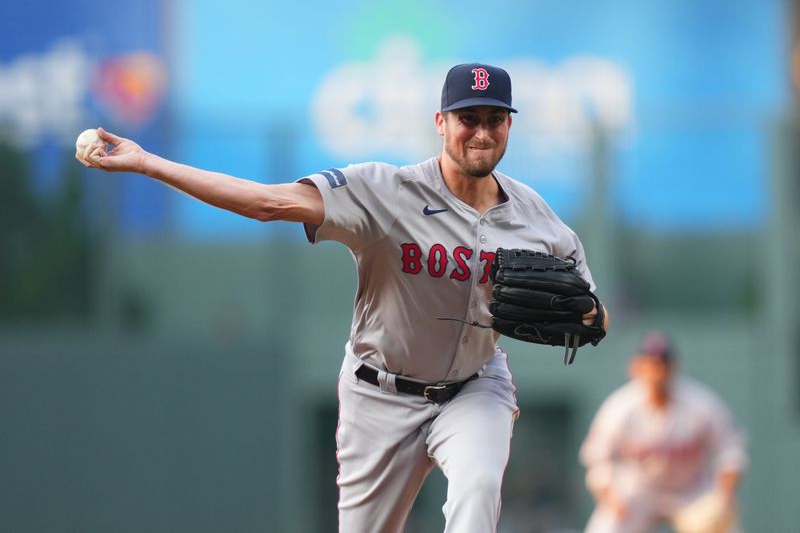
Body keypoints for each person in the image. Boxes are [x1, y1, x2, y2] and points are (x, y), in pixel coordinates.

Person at [77, 63, 608, 533]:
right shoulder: (385, 190)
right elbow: (268, 203)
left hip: (475, 388)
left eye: (494, 119)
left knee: (476, 489)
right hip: (379, 394)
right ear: (440, 122)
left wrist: (589, 314)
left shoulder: (535, 217)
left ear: (509, 125)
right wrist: (148, 163)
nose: (482, 132)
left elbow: (592, 311)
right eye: (468, 117)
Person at [579, 331, 748, 533]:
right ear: (635, 367)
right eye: (649, 364)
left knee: (725, 527)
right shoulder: (620, 407)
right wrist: (610, 495)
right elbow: (596, 457)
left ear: (674, 367)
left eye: (662, 364)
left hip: (690, 490)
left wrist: (723, 495)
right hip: (637, 492)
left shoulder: (701, 403)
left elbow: (730, 449)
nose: (656, 371)